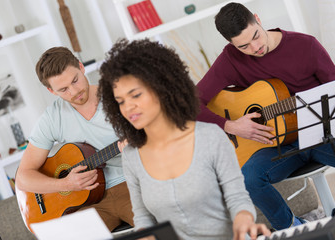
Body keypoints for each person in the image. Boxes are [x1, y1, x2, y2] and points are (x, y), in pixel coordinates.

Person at [98, 38, 270, 240]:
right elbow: (143, 217)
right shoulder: (131, 156)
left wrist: (244, 220)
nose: (128, 107)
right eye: (120, 101)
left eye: (135, 95)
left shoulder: (210, 137)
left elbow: (237, 198)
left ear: (162, 88)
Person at [196, 2, 335, 230]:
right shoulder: (231, 59)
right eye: (244, 46)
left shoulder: (306, 45)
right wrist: (231, 126)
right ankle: (293, 229)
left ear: (258, 19)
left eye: (256, 36)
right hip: (279, 145)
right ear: (231, 44)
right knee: (248, 178)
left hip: (322, 135)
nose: (255, 47)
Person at [15, 47, 134, 231]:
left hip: (132, 186)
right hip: (88, 202)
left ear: (81, 67)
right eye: (63, 89)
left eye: (75, 80)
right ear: (51, 91)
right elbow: (23, 177)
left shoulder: (118, 94)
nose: (74, 91)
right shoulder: (53, 117)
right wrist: (65, 184)